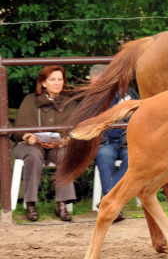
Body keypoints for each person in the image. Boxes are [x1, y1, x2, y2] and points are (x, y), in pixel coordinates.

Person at [13, 65, 78, 221]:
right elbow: (17, 131)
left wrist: (64, 141)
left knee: (65, 155)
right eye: (52, 79)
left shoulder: (70, 103)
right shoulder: (30, 100)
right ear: (43, 82)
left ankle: (61, 204)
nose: (57, 83)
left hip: (58, 147)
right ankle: (30, 204)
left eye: (60, 79)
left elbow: (76, 130)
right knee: (34, 155)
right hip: (31, 146)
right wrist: (29, 137)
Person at [89, 64, 140, 221]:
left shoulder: (129, 93)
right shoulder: (90, 100)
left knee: (133, 160)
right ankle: (114, 206)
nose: (100, 87)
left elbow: (142, 118)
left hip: (128, 141)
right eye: (95, 84)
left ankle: (109, 201)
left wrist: (125, 109)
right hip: (105, 141)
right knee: (104, 157)